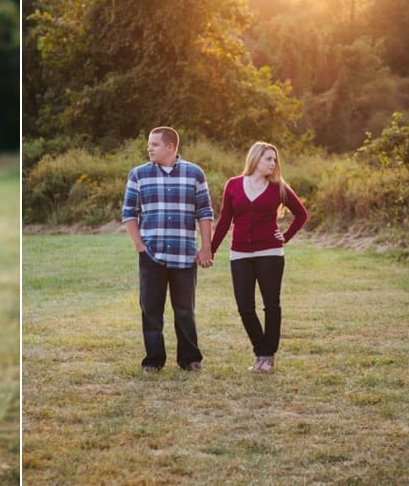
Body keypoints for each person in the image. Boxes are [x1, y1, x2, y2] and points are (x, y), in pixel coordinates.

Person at [210, 141, 308, 374]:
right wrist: (210, 249)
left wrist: (285, 237)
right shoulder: (233, 185)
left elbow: (301, 214)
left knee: (271, 305)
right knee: (245, 307)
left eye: (275, 160)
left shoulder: (278, 187)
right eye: (268, 159)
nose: (273, 164)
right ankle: (260, 350)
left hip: (270, 253)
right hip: (240, 253)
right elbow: (224, 220)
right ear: (255, 159)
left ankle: (267, 357)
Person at [121, 126, 214, 373]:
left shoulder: (195, 174)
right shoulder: (138, 175)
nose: (149, 148)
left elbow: (205, 212)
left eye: (154, 144)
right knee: (151, 311)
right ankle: (153, 360)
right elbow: (128, 213)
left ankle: (190, 359)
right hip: (152, 255)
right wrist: (140, 246)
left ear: (170, 147)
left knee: (185, 311)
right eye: (149, 144)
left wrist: (207, 247)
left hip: (185, 255)